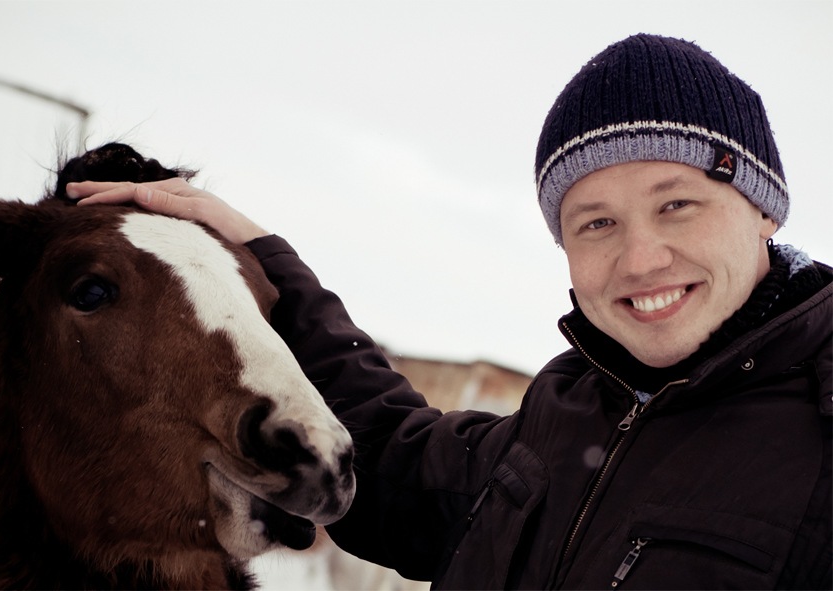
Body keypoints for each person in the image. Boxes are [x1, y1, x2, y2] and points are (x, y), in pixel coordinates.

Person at [68, 34, 831, 589]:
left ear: (764, 208)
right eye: (595, 222)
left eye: (676, 204)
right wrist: (263, 261)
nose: (638, 259)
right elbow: (386, 460)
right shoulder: (568, 413)